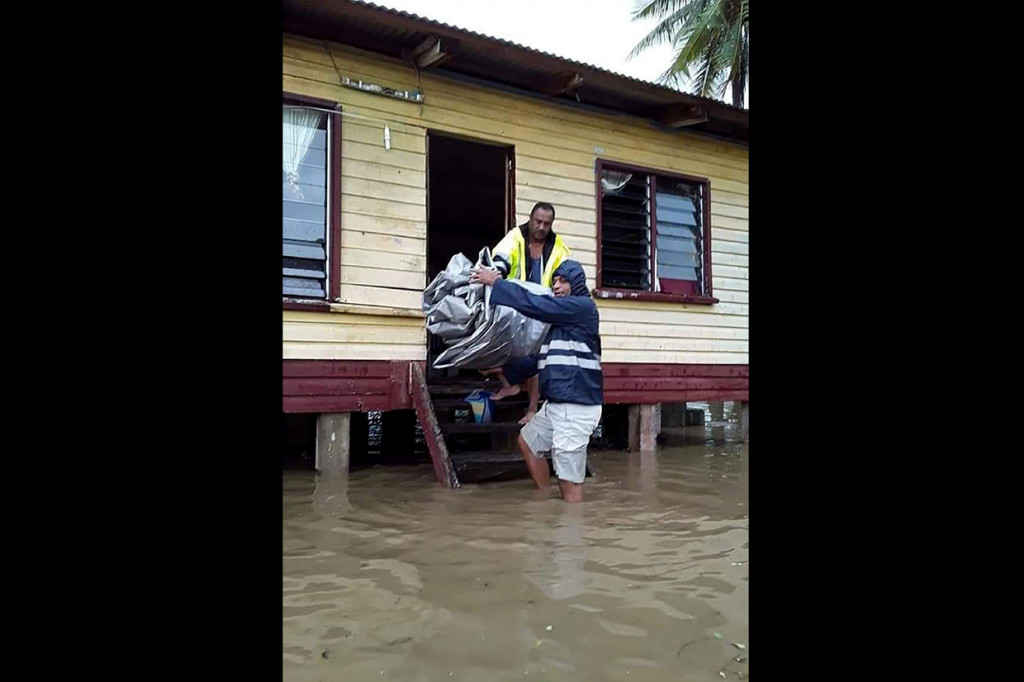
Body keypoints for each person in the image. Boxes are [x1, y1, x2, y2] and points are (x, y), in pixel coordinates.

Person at [471, 260, 601, 503]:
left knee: (569, 481)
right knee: (528, 443)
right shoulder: (560, 326)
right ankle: (544, 505)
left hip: (576, 407)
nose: (557, 286)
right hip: (556, 405)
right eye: (554, 282)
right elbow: (537, 360)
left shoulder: (583, 308)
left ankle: (572, 530)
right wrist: (501, 370)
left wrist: (497, 283)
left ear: (576, 284)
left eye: (563, 281)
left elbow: (538, 305)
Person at [487, 202, 572, 421]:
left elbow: (566, 276)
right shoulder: (515, 236)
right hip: (515, 306)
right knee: (495, 348)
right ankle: (510, 385)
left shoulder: (559, 247)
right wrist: (496, 274)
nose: (542, 227)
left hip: (543, 308)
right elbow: (501, 258)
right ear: (530, 218)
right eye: (538, 221)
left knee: (537, 357)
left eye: (547, 223)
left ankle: (532, 409)